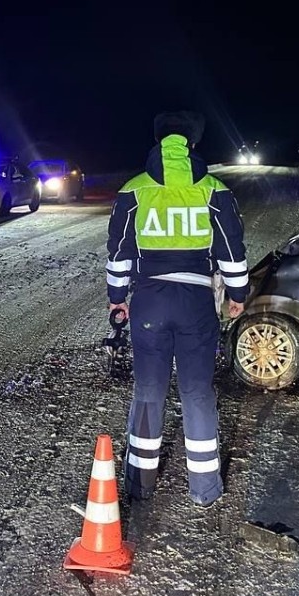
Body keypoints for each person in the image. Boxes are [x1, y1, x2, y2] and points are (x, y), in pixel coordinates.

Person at [105, 111, 249, 508]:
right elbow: (232, 250)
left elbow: (119, 253)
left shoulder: (133, 191)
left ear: (157, 143)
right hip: (197, 303)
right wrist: (238, 293)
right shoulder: (213, 190)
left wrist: (118, 297)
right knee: (197, 392)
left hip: (150, 300)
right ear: (193, 144)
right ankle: (204, 488)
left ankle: (139, 483)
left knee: (148, 390)